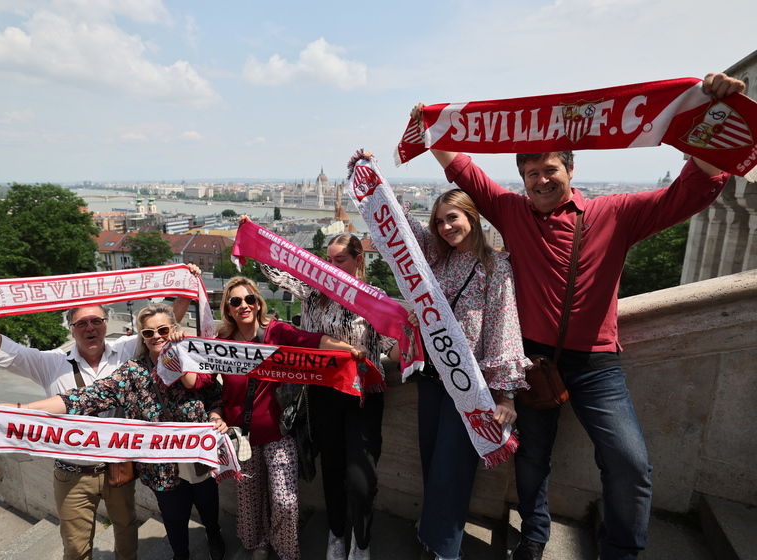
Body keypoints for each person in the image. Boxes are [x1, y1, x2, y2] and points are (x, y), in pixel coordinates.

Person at [410, 71, 746, 560]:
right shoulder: (512, 212)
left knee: (630, 463)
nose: (542, 181)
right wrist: (431, 123)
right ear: (522, 181)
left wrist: (718, 114)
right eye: (532, 175)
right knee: (530, 462)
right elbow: (465, 172)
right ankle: (534, 537)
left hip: (596, 365)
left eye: (550, 170)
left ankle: (622, 552)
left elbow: (688, 193)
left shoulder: (617, 212)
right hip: (531, 362)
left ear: (569, 169)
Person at [0, 266, 202, 560]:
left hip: (119, 468)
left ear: (105, 324)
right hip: (72, 473)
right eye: (81, 323)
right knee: (76, 548)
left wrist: (185, 279)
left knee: (127, 534)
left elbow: (166, 322)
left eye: (96, 321)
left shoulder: (127, 350)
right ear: (71, 328)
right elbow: (1, 350)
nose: (90, 328)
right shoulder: (50, 362)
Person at [3, 303, 228, 560]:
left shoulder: (193, 360)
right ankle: (181, 556)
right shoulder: (132, 372)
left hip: (199, 455)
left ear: (174, 330)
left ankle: (214, 535)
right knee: (174, 518)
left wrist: (215, 415)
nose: (157, 336)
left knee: (208, 505)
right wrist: (23, 409)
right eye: (148, 332)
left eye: (163, 329)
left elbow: (214, 395)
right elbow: (84, 398)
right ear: (142, 337)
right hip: (161, 468)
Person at [243, 214, 396, 560]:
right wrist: (252, 234)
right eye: (327, 261)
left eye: (338, 260)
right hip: (323, 394)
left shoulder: (374, 298)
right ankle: (337, 534)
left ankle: (362, 539)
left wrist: (412, 328)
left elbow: (394, 347)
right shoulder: (314, 293)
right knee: (333, 469)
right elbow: (277, 269)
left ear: (359, 262)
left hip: (363, 396)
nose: (330, 268)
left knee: (363, 478)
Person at [404, 188, 529, 560]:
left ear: (472, 217)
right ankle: (434, 534)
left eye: (452, 218)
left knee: (451, 469)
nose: (445, 227)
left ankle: (445, 550)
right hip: (432, 379)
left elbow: (502, 329)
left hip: (468, 386)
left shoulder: (495, 266)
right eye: (439, 221)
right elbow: (401, 234)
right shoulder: (438, 263)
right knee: (431, 460)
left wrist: (505, 395)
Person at [211, 276, 367, 560]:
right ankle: (257, 541)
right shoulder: (219, 342)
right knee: (248, 499)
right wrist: (214, 412)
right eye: (235, 301)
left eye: (249, 299)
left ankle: (285, 548)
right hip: (241, 436)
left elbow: (314, 341)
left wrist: (347, 350)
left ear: (258, 303)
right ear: (228, 309)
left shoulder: (277, 332)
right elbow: (203, 382)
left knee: (284, 500)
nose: (243, 305)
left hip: (277, 432)